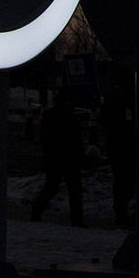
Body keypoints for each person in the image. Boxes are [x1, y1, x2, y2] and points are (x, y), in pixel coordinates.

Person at [30, 87, 85, 226]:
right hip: (67, 157)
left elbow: (45, 138)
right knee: (74, 189)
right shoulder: (70, 117)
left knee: (53, 187)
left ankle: (36, 212)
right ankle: (77, 220)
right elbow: (75, 140)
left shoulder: (51, 116)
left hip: (55, 157)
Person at [97, 66, 137, 228]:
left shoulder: (121, 98)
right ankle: (122, 214)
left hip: (122, 145)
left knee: (126, 181)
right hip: (123, 145)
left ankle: (123, 213)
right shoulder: (122, 98)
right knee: (125, 181)